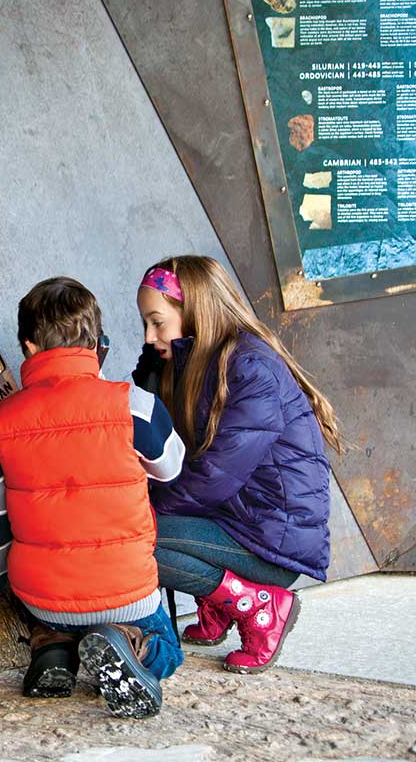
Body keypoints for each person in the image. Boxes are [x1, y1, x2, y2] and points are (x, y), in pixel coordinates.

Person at [0, 276, 185, 718]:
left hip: (44, 598)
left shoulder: (1, 423)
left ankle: (53, 645)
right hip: (126, 592)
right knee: (171, 648)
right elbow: (171, 466)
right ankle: (133, 645)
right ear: (99, 343)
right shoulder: (132, 405)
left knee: (50, 600)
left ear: (29, 349)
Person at [134, 256, 340, 674]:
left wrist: (141, 508)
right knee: (134, 526)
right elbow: (166, 449)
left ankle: (258, 605)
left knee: (134, 540)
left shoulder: (249, 367)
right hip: (239, 522)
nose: (149, 335)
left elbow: (214, 478)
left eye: (157, 322)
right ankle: (219, 604)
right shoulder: (193, 362)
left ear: (194, 311)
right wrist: (148, 381)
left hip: (272, 542)